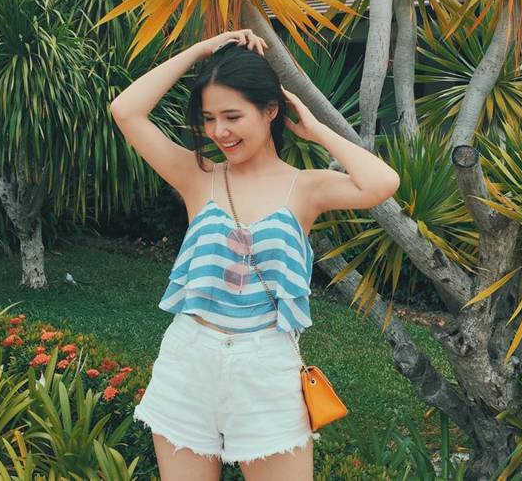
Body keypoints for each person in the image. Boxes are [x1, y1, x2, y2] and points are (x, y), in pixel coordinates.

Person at [109, 29, 400, 481]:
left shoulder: (305, 187)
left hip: (265, 367)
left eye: (232, 116)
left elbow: (382, 183)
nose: (219, 132)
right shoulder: (198, 176)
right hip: (189, 359)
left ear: (270, 111)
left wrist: (317, 129)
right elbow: (126, 111)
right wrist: (202, 50)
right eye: (209, 118)